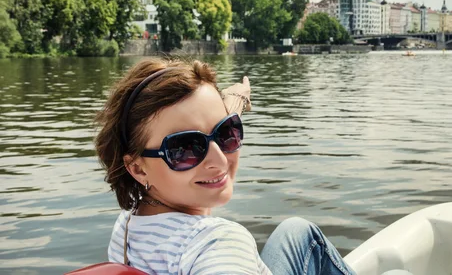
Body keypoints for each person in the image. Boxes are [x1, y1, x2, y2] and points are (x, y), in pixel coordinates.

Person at [95, 57, 356, 275]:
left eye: (226, 131)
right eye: (185, 148)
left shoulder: (129, 222)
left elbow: (200, 125)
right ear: (138, 168)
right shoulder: (219, 243)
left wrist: (235, 103)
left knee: (298, 232)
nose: (220, 159)